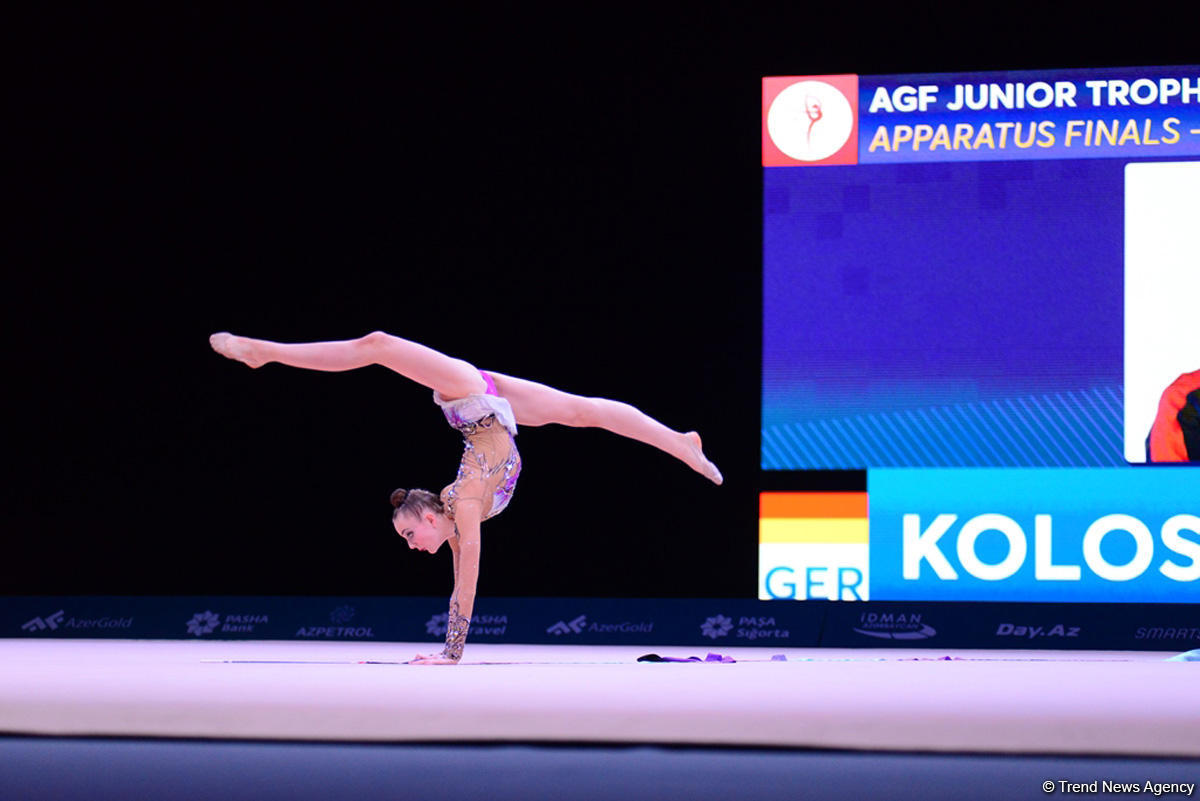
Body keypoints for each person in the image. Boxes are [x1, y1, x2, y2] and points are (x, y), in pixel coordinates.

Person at [209, 330, 722, 664]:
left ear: (432, 514)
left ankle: (265, 352)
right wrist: (448, 650)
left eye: (410, 532)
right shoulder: (459, 517)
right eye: (406, 538)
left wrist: (451, 653)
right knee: (583, 411)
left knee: (378, 345)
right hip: (490, 403)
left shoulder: (467, 507)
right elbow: (462, 576)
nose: (411, 545)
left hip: (468, 397)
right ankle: (679, 442)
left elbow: (466, 582)